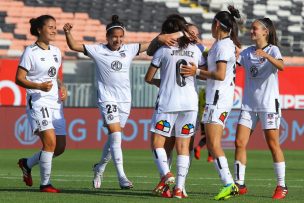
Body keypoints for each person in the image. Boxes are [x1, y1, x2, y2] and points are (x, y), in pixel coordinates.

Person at [63, 15, 179, 190]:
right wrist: (68, 32)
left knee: (113, 140)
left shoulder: (130, 49)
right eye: (114, 37)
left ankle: (100, 167)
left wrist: (161, 38)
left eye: (120, 37)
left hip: (125, 100)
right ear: (107, 37)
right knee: (116, 136)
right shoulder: (98, 50)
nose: (117, 40)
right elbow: (74, 46)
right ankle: (122, 177)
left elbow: (149, 44)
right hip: (107, 98)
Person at [181, 5, 241, 200]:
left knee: (214, 144)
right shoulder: (220, 44)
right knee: (212, 144)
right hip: (216, 97)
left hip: (219, 98)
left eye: (212, 25)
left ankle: (229, 184)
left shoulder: (223, 45)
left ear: (217, 24)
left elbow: (220, 74)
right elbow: (211, 69)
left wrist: (196, 72)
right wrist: (198, 47)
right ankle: (228, 183)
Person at [145, 17, 204, 199]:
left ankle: (166, 174)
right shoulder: (195, 50)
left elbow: (148, 78)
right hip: (190, 105)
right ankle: (179, 189)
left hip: (168, 103)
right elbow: (206, 72)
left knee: (157, 144)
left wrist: (163, 83)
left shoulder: (163, 50)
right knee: (184, 147)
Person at [234, 18, 287, 199]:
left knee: (273, 144)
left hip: (268, 105)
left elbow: (281, 66)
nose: (252, 31)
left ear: (265, 32)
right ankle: (239, 184)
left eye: (255, 29)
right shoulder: (247, 52)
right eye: (251, 28)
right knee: (239, 143)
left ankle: (281, 185)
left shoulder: (273, 49)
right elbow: (234, 66)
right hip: (248, 105)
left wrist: (267, 56)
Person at [16, 15, 67, 193]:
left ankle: (27, 164)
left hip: (55, 103)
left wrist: (62, 86)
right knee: (50, 143)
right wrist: (38, 86)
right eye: (50, 27)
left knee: (59, 147)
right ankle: (45, 184)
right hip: (38, 101)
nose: (54, 30)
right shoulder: (30, 52)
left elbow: (55, 75)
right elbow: (19, 79)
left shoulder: (56, 51)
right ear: (39, 30)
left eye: (55, 27)